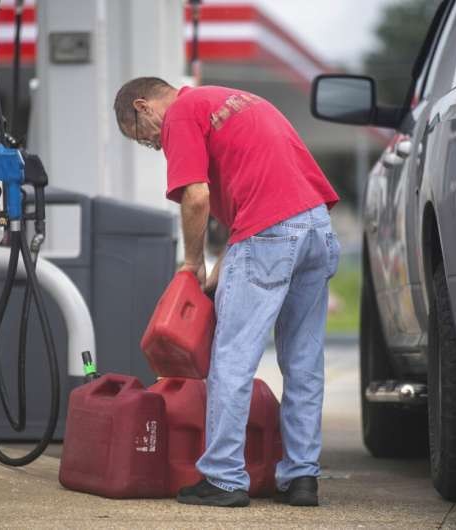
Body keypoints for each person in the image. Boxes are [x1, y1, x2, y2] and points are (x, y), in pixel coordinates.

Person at [113, 78, 341, 508]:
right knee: (303, 362)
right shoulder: (232, 99)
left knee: (232, 357)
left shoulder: (180, 113)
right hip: (316, 229)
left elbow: (197, 197)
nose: (153, 145)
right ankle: (301, 478)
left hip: (269, 235)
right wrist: (230, 256)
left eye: (142, 137)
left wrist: (192, 262)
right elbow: (268, 187)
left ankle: (223, 477)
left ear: (143, 107)